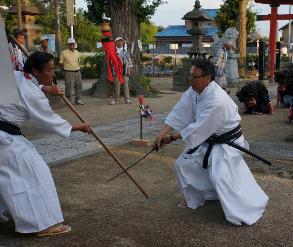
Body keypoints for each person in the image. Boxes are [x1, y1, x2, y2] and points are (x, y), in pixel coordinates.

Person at [154, 58, 268, 226]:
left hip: (226, 143)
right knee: (182, 165)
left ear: (208, 78)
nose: (190, 80)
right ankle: (196, 198)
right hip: (207, 139)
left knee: (219, 175)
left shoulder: (217, 100)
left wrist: (169, 138)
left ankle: (247, 208)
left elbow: (197, 129)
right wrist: (161, 134)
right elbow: (179, 112)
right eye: (190, 75)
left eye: (194, 76)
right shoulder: (194, 90)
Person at [0, 51, 90, 236]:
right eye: (49, 70)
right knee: (35, 173)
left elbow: (24, 87)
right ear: (35, 70)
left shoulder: (16, 75)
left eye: (53, 69)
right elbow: (48, 120)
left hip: (5, 134)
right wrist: (76, 127)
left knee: (9, 176)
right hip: (5, 138)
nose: (52, 74)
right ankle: (40, 225)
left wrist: (46, 88)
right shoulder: (33, 93)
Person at [59, 38, 84, 105]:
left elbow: (78, 62)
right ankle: (68, 102)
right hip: (68, 72)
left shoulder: (77, 52)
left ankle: (78, 100)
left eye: (73, 44)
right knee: (69, 88)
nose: (72, 45)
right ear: (68, 45)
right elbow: (61, 63)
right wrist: (64, 71)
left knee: (79, 87)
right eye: (71, 44)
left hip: (78, 72)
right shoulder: (64, 53)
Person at [110, 37, 133, 105]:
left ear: (122, 42)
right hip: (116, 72)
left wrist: (129, 70)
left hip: (124, 71)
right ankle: (116, 99)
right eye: (118, 41)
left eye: (121, 41)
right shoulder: (113, 51)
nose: (120, 42)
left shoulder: (125, 51)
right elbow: (110, 63)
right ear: (116, 42)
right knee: (116, 86)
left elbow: (129, 61)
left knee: (126, 85)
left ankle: (127, 99)